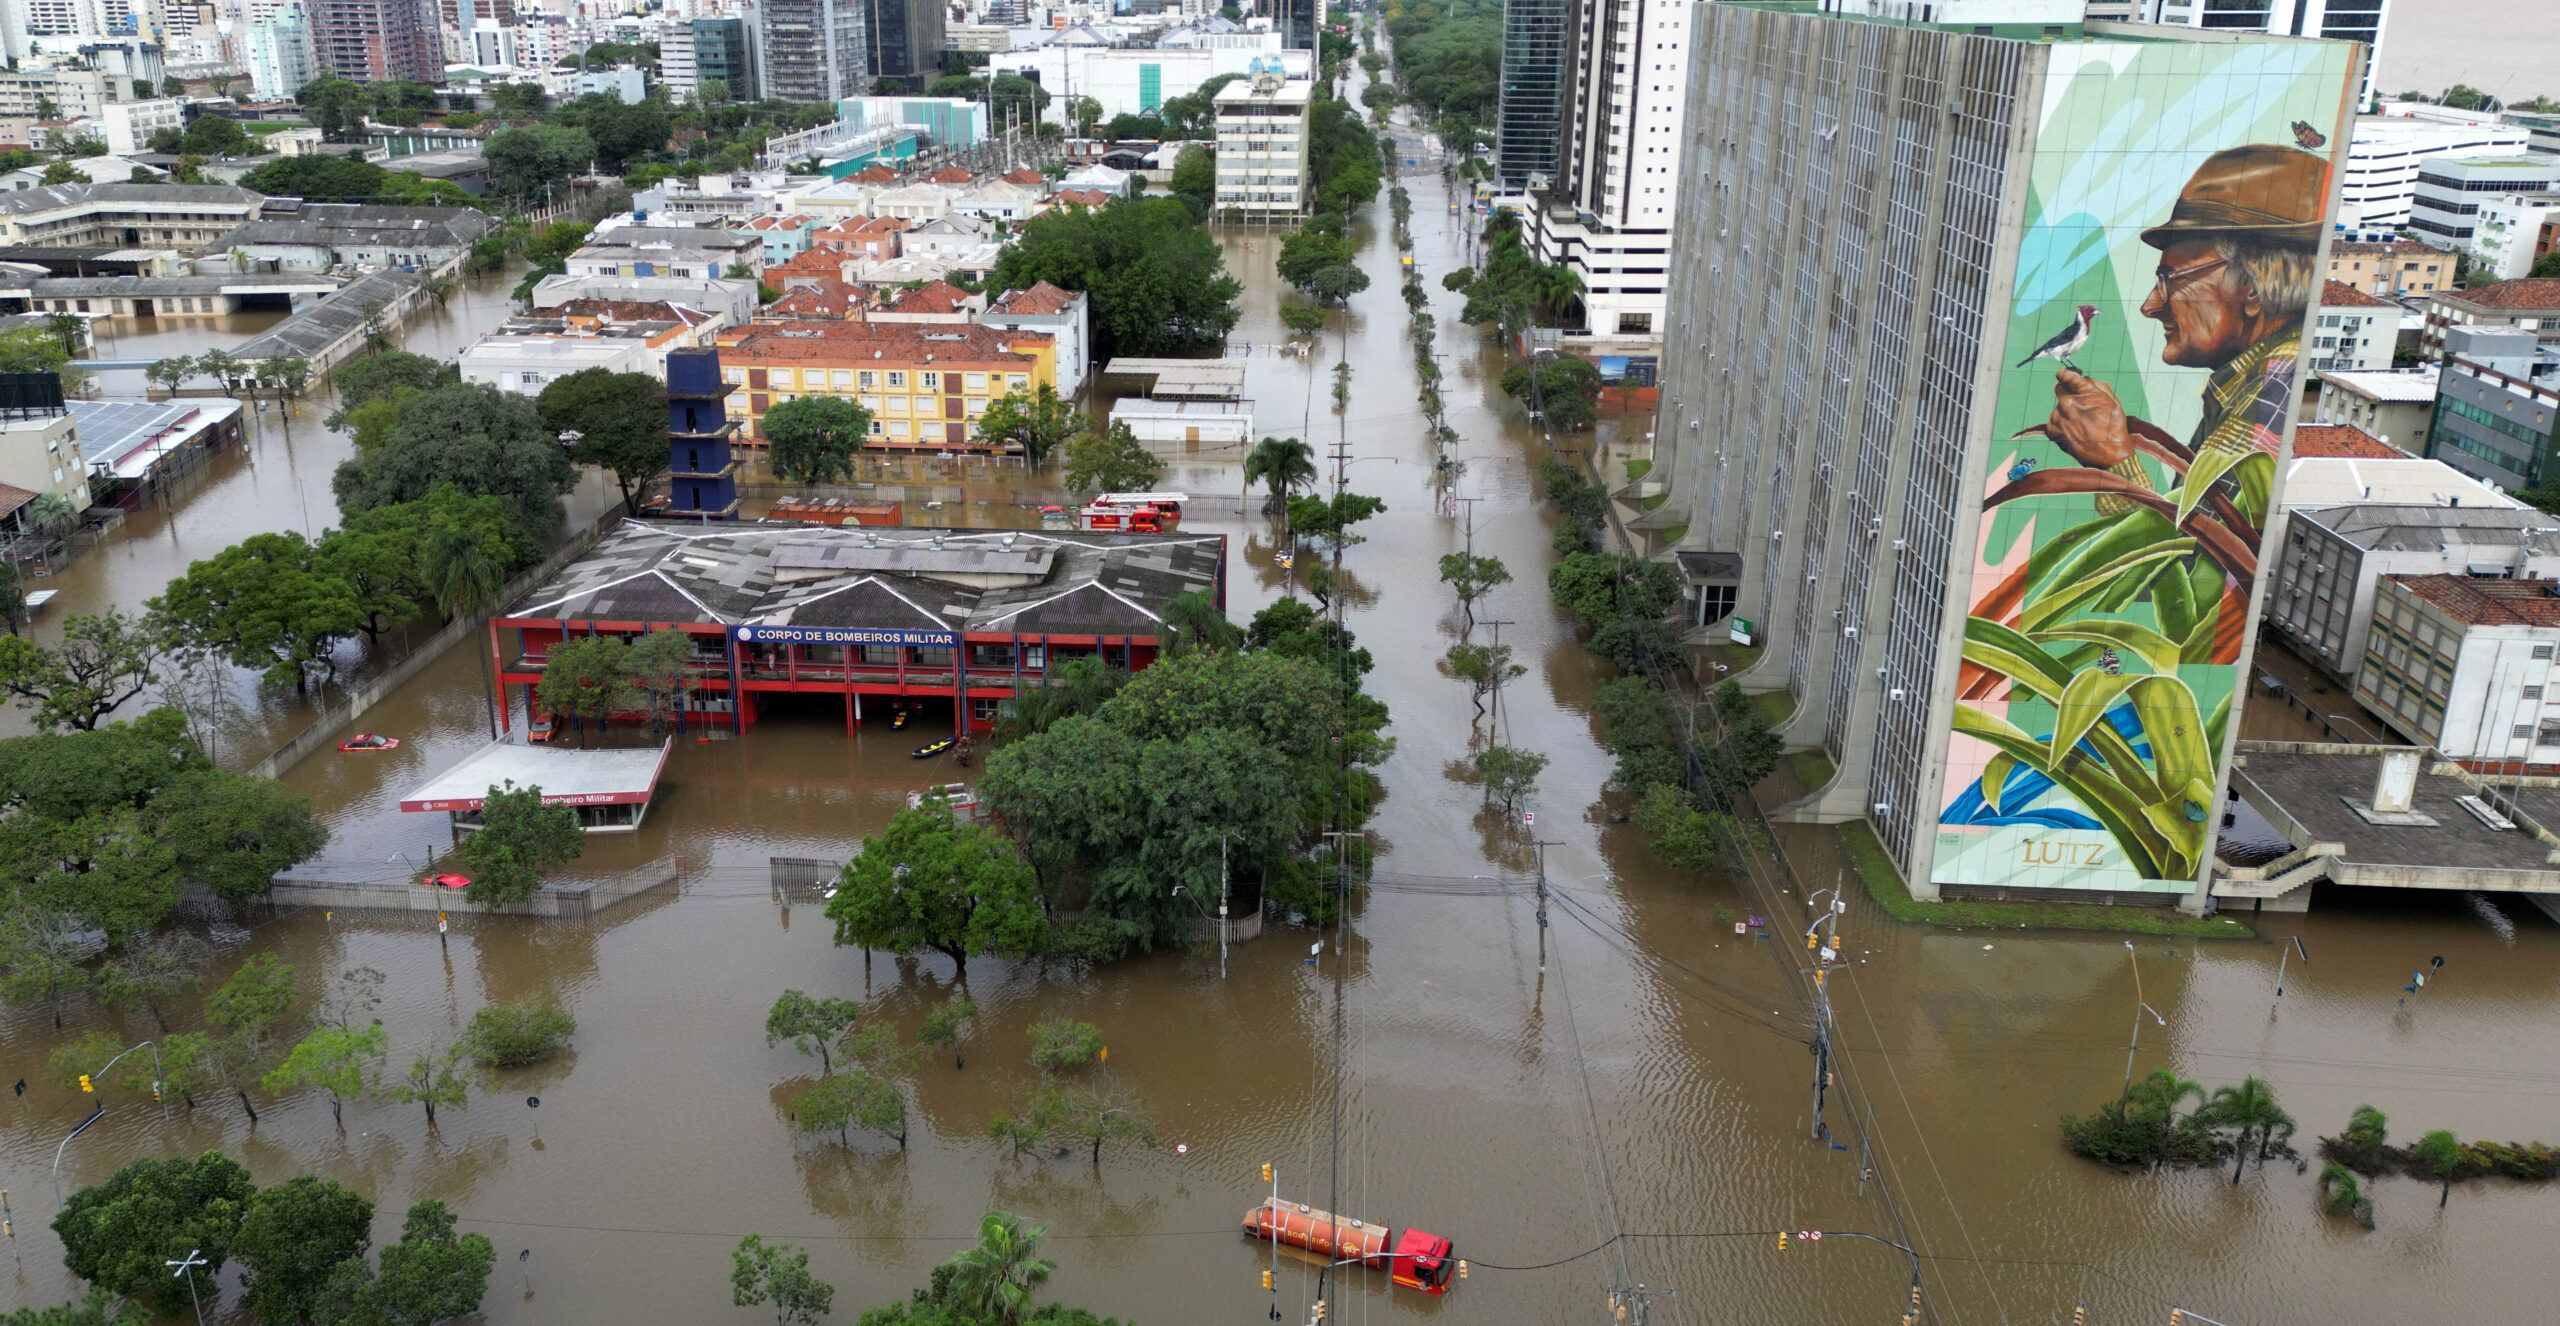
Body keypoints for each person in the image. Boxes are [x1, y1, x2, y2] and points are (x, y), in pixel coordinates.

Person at [2036, 143, 2327, 510]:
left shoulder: (2269, 394)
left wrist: (2113, 459)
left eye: (2169, 278)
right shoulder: (2257, 383)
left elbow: (2192, 562)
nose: (2150, 306)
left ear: (2251, 290)